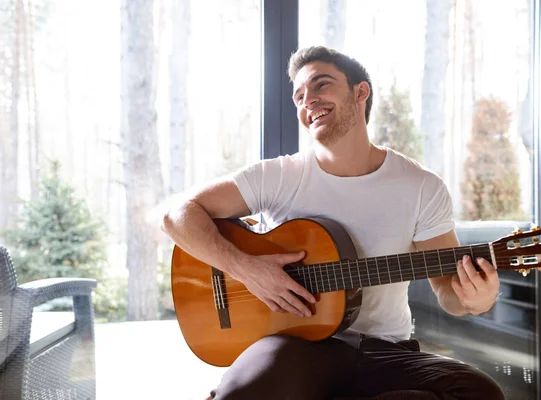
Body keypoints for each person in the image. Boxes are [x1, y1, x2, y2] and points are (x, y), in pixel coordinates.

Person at [162, 46, 504, 400]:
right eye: (298, 95)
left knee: (480, 393)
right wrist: (246, 269)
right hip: (294, 346)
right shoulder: (280, 175)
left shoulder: (420, 186)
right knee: (243, 393)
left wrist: (475, 300)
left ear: (360, 92)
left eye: (320, 85)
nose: (307, 100)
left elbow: (448, 290)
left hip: (384, 351)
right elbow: (176, 216)